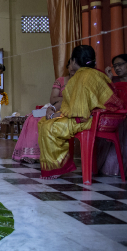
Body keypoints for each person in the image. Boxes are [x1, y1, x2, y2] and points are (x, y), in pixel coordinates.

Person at [38, 45, 123, 179]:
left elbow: (80, 111)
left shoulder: (82, 77)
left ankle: (56, 167)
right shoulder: (96, 73)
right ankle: (58, 164)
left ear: (74, 61)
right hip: (100, 117)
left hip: (91, 119)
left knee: (48, 126)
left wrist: (57, 115)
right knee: (45, 121)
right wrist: (54, 109)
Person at [13, 60, 76, 163]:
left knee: (46, 121)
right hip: (55, 107)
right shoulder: (60, 81)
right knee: (32, 119)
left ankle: (44, 154)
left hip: (69, 110)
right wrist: (65, 99)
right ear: (68, 67)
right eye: (70, 65)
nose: (72, 68)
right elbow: (53, 99)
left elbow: (74, 100)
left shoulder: (81, 83)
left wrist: (63, 99)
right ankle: (31, 154)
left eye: (75, 65)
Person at [96, 54, 127, 176]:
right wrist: (108, 79)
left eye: (120, 65)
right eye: (115, 66)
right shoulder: (112, 81)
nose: (117, 68)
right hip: (116, 119)